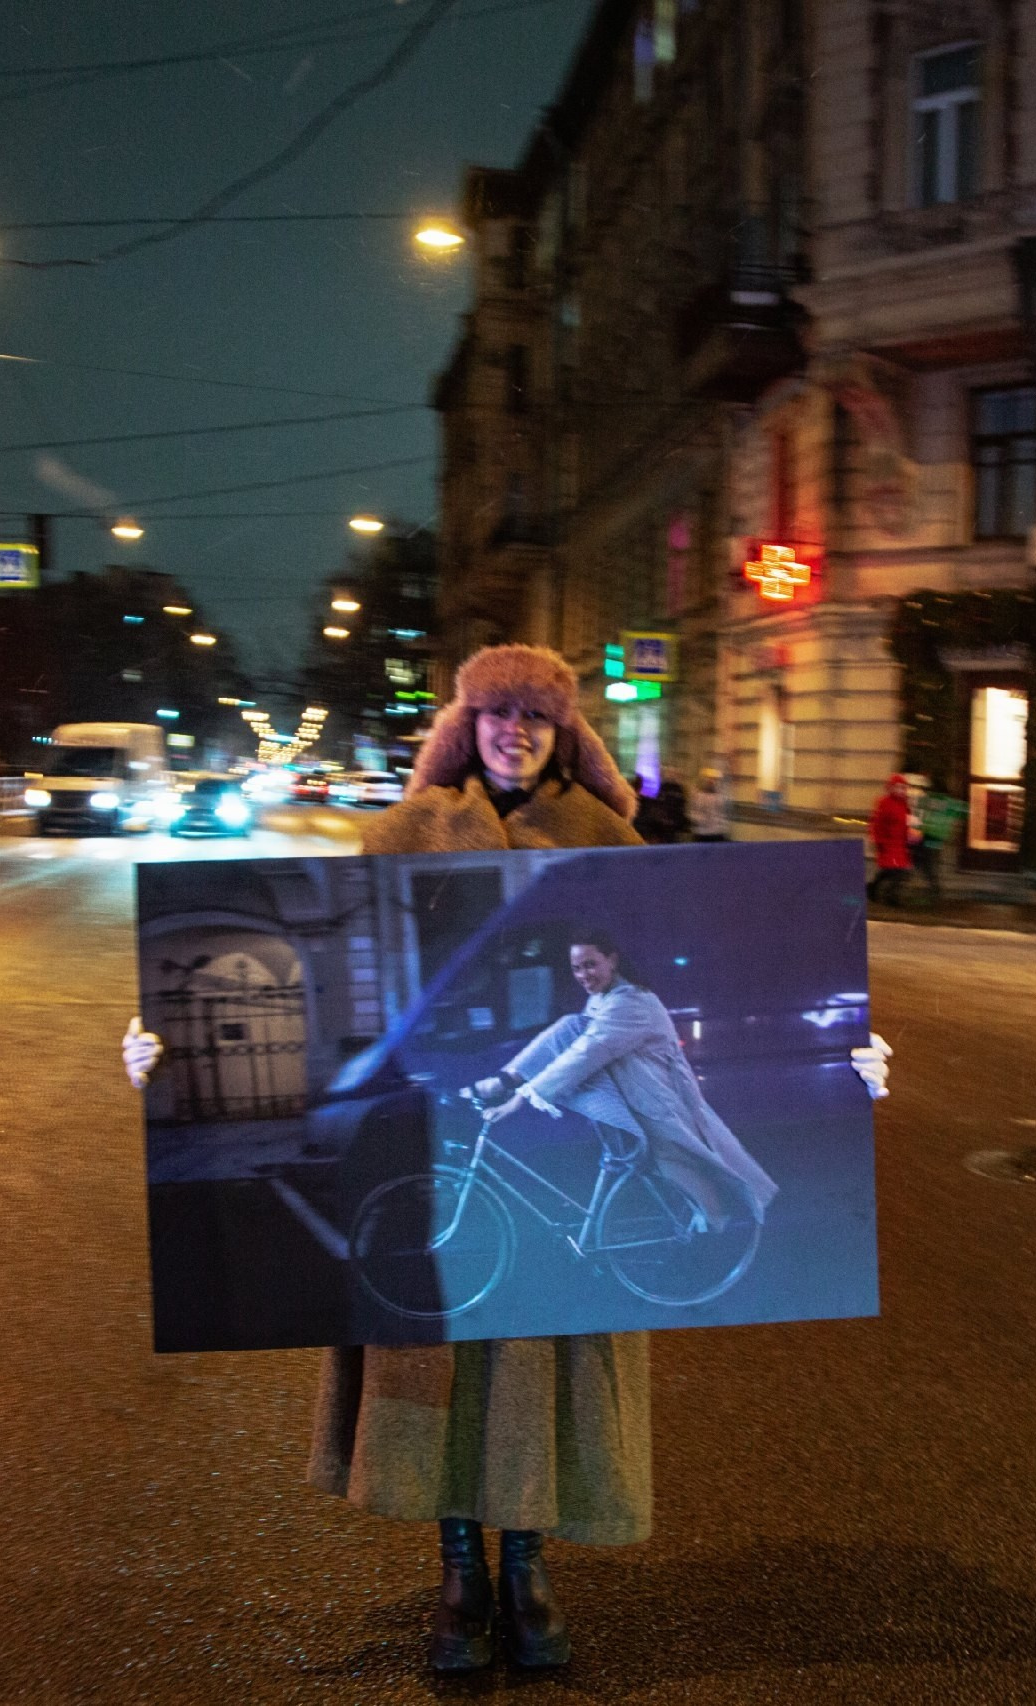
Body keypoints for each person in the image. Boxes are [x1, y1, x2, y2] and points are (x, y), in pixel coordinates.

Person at [121, 643, 891, 1675]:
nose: (513, 732)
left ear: (563, 731)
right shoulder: (397, 836)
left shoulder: (607, 837)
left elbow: (615, 1008)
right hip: (448, 1120)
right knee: (438, 1345)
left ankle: (525, 1562)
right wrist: (163, 1049)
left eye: (534, 716)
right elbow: (311, 993)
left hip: (591, 1120)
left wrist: (856, 1062)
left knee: (548, 1350)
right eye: (495, 713)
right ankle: (457, 1566)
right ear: (465, 723)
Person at [475, 926, 777, 1234]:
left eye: (591, 964)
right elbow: (574, 1043)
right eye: (577, 968)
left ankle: (716, 1232)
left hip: (659, 1102)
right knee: (568, 1027)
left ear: (612, 960)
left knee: (680, 1168)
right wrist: (516, 1084)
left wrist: (520, 1099)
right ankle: (504, 1078)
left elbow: (584, 1054)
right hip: (631, 1093)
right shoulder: (602, 998)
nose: (583, 975)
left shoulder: (631, 1003)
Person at [866, 774, 915, 908]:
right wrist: (879, 841)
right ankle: (890, 897)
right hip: (888, 843)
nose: (900, 790)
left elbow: (907, 822)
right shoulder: (885, 803)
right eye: (897, 787)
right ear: (892, 788)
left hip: (900, 843)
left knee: (893, 871)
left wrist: (910, 836)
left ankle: (873, 888)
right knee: (895, 871)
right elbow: (877, 823)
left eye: (902, 787)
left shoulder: (905, 804)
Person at [916, 778, 962, 899]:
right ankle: (933, 885)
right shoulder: (950, 803)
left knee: (926, 860)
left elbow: (920, 813)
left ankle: (933, 886)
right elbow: (961, 811)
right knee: (932, 859)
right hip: (939, 836)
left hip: (928, 835)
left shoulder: (929, 800)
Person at [688, 770, 730, 842]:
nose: (711, 781)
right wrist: (700, 820)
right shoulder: (697, 796)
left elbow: (724, 813)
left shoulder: (721, 797)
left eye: (713, 779)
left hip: (717, 832)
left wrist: (722, 824)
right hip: (701, 832)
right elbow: (692, 812)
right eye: (708, 779)